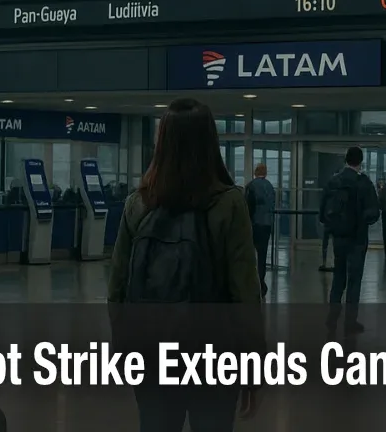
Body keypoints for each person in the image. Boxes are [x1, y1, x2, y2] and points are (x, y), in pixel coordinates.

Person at [108, 98, 262, 432]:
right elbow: (245, 293)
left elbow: (117, 288)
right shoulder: (228, 203)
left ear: (161, 142)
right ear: (211, 142)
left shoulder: (139, 203)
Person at [319, 147, 380, 335]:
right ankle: (350, 321)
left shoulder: (334, 181)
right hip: (357, 239)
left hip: (339, 238)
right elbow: (374, 213)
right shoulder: (364, 183)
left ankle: (332, 317)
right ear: (360, 161)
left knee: (339, 277)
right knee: (354, 280)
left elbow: (323, 213)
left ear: (345, 159)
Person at [244, 163, 276, 296]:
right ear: (266, 173)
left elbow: (248, 207)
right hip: (267, 225)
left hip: (254, 224)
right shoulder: (270, 187)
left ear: (255, 172)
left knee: (249, 254)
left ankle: (251, 283)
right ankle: (261, 282)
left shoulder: (251, 186)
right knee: (262, 255)